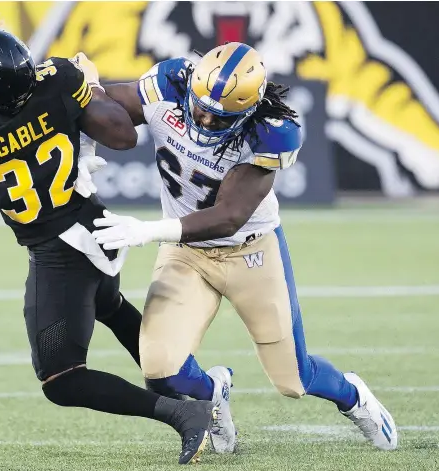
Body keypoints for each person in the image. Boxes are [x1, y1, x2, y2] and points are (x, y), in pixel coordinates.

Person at [86, 42, 398, 453]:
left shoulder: (272, 131)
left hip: (249, 252)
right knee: (160, 369)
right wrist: (77, 88)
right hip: (187, 255)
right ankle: (213, 392)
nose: (204, 118)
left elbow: (227, 216)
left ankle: (353, 397)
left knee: (293, 379)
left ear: (248, 109)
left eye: (220, 116)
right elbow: (107, 108)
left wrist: (147, 231)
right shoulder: (170, 82)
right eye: (200, 107)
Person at [0, 23, 216, 465]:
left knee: (61, 380)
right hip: (97, 228)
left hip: (59, 254)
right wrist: (83, 89)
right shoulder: (59, 79)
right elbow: (121, 135)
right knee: (110, 306)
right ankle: (193, 382)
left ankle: (186, 413)